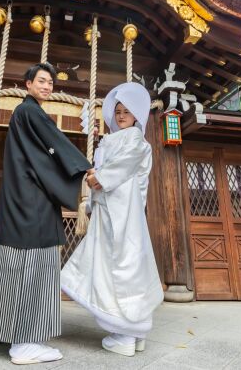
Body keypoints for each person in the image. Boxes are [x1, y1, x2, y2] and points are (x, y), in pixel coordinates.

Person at [0, 62, 92, 365]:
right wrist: (84, 166)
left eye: (51, 82)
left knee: (4, 264)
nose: (47, 86)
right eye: (41, 80)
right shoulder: (31, 112)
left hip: (16, 200)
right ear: (27, 84)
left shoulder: (22, 114)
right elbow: (55, 143)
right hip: (33, 205)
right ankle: (25, 342)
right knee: (33, 267)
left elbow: (45, 151)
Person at [60, 82, 163, 357]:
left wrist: (99, 178)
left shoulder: (136, 141)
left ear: (137, 115)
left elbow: (121, 166)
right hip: (109, 211)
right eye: (117, 110)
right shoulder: (112, 139)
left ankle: (125, 333)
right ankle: (135, 332)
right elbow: (106, 166)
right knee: (118, 263)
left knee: (122, 265)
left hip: (124, 214)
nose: (120, 115)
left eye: (127, 111)